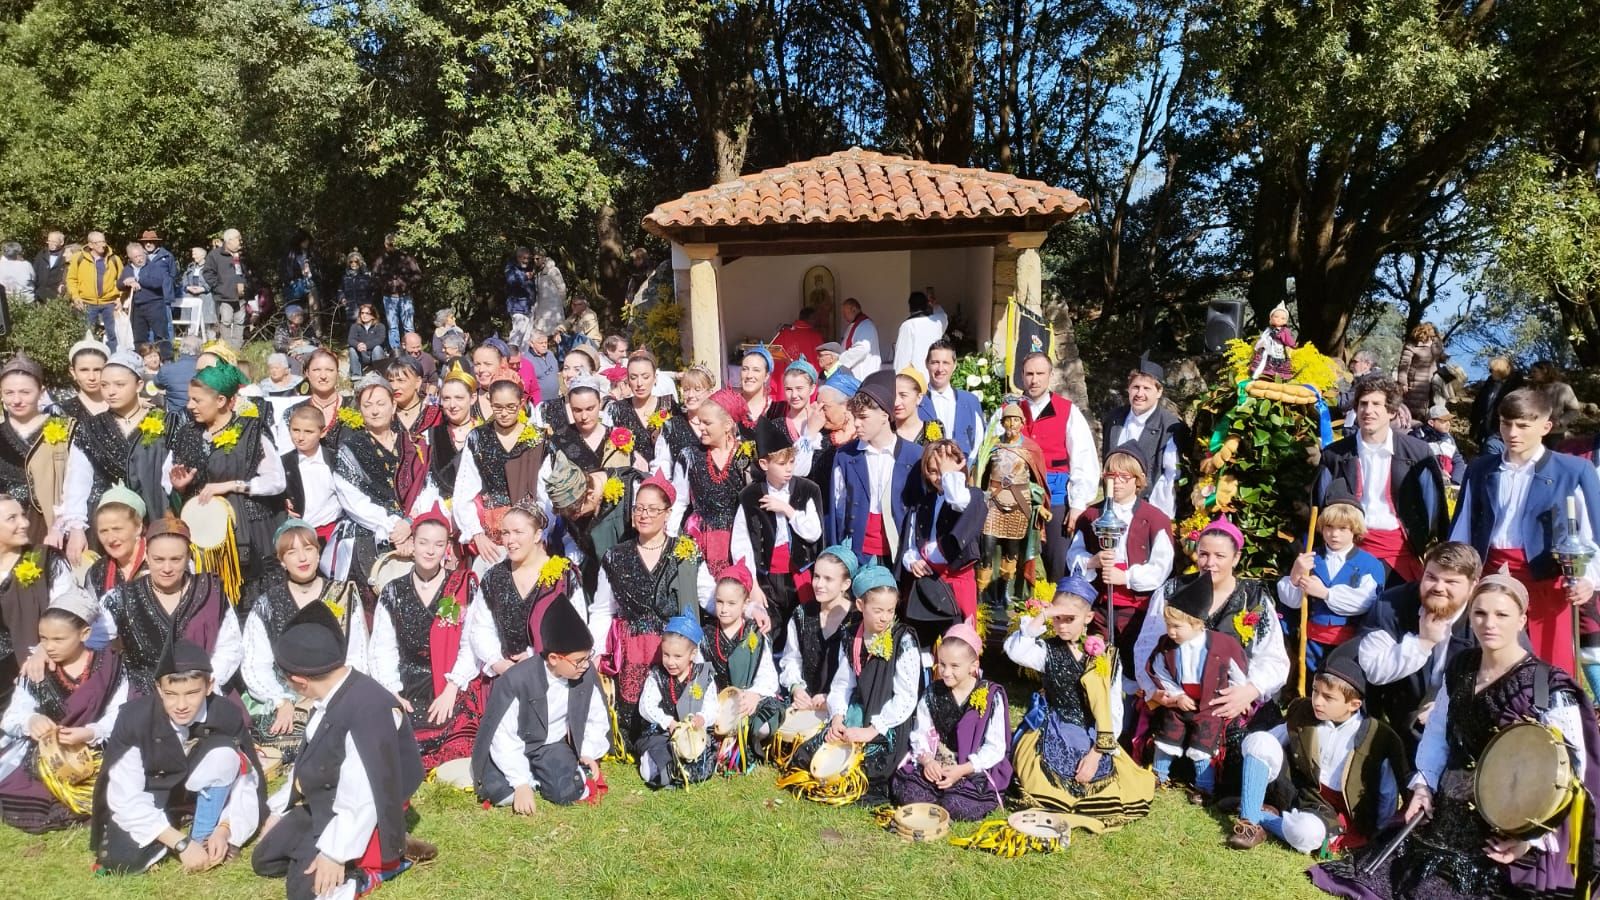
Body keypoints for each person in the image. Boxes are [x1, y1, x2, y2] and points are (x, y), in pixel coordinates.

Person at [1310, 574, 1600, 899]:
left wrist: (1528, 837)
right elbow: (1437, 733)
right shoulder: (1462, 666)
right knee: (1379, 876)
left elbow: (1573, 772)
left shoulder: (1548, 686)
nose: (1489, 623)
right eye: (1480, 613)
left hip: (1512, 823)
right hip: (1446, 810)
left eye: (1502, 615)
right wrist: (1423, 785)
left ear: (1521, 619)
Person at [251, 603, 431, 898]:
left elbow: (363, 794)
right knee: (266, 860)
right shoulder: (331, 694)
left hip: (362, 813)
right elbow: (310, 762)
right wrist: (280, 808)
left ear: (300, 682)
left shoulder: (369, 710)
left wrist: (334, 853)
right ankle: (328, 850)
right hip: (327, 801)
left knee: (305, 893)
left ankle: (371, 868)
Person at [1450, 387, 1600, 676]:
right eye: (1506, 423)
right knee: (1490, 659)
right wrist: (1458, 576)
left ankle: (1548, 718)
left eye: (1522, 425)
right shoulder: (1480, 469)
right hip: (1492, 574)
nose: (1512, 432)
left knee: (1548, 663)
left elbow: (1593, 534)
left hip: (1548, 579)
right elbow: (1462, 529)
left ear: (1546, 427)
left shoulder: (1574, 470)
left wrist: (1588, 580)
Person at [1134, 520, 1289, 795]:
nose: (1210, 563)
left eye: (1220, 556)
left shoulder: (1254, 599)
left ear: (1236, 558)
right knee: (1168, 732)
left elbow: (1273, 658)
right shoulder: (1172, 591)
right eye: (1204, 554)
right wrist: (1159, 692)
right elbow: (1147, 646)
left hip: (1232, 702)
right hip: (1180, 697)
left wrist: (1248, 691)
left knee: (1240, 751)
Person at [88, 640, 264, 875]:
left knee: (225, 754)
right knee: (123, 860)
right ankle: (173, 834)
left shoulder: (227, 715)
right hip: (151, 795)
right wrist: (180, 844)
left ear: (209, 686)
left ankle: (204, 832)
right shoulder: (134, 720)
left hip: (201, 786)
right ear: (159, 689)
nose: (181, 705)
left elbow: (246, 780)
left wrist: (226, 828)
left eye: (192, 693)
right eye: (171, 694)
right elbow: (125, 797)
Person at [1228, 642, 1408, 854]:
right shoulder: (1303, 709)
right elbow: (1269, 742)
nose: (1317, 702)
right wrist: (1255, 756)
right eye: (1315, 691)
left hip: (1326, 808)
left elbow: (1387, 792)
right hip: (1292, 785)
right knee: (1259, 740)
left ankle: (1266, 817)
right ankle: (1248, 823)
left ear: (1354, 705)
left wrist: (1378, 832)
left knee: (1307, 834)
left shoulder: (1380, 737)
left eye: (1328, 697)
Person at [1006, 577, 1155, 830]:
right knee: (1039, 783)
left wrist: (1098, 752)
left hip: (1092, 732)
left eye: (1070, 619)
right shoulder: (1047, 650)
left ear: (1088, 618)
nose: (1062, 626)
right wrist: (1043, 616)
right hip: (1055, 725)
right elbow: (1016, 650)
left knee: (1100, 782)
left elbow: (1112, 711)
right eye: (1057, 619)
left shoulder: (1106, 657)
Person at [590, 472, 714, 753]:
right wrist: (596, 652)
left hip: (673, 648)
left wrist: (745, 603)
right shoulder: (616, 556)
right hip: (633, 650)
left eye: (652, 509)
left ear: (668, 514)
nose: (643, 515)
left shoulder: (685, 550)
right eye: (638, 508)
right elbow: (602, 610)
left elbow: (708, 595)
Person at [788, 566, 919, 805]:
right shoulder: (850, 637)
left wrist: (872, 730)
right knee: (807, 756)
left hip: (888, 722)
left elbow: (906, 698)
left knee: (866, 770)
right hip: (857, 712)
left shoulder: (903, 640)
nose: (885, 617)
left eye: (890, 610)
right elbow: (842, 685)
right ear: (860, 606)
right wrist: (838, 717)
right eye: (878, 610)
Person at [240, 521, 366, 765]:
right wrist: (281, 700)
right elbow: (256, 664)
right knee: (280, 734)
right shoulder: (267, 604)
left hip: (336, 693)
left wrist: (336, 694)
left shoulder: (345, 594)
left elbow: (357, 654)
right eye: (291, 552)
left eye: (308, 549)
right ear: (281, 560)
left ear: (318, 552)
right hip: (289, 696)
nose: (302, 558)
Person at [0, 590, 126, 833]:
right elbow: (12, 716)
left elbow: (120, 713)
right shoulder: (38, 670)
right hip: (49, 755)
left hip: (98, 748)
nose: (48, 647)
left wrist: (90, 732)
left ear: (85, 633)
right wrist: (31, 720)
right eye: (43, 638)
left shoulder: (111, 667)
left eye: (58, 639)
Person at [164, 361, 287, 609]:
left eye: (197, 400)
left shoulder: (251, 431)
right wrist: (180, 487)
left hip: (249, 528)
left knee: (252, 597)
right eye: (189, 399)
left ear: (220, 401)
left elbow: (276, 481)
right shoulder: (187, 433)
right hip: (204, 530)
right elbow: (167, 480)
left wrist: (232, 485)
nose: (190, 406)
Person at [371, 512, 486, 770]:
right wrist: (392, 693)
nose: (430, 551)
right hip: (407, 682)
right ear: (412, 544)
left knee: (463, 735)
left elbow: (471, 642)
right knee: (388, 734)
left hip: (448, 679)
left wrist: (452, 687)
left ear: (448, 547)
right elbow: (383, 647)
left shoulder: (462, 585)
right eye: (423, 543)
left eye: (438, 544)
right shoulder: (393, 591)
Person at [472, 594, 608, 810]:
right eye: (578, 660)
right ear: (554, 658)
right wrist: (520, 783)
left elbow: (596, 717)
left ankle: (547, 772)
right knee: (499, 793)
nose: (585, 665)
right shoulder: (517, 679)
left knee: (566, 791)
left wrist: (588, 751)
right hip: (515, 744)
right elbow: (503, 735)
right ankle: (528, 775)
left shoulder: (585, 673)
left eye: (587, 657)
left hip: (550, 745)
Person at [1312, 373, 1446, 585]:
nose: (1368, 410)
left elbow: (1434, 510)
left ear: (1392, 411)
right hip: (1347, 550)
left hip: (1399, 552)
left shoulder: (1418, 453)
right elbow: (1319, 507)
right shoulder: (1334, 456)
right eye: (1363, 404)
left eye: (1377, 404)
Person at [1356, 542, 1483, 757]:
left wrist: (1449, 705)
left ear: (1473, 585)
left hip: (1464, 723)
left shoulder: (1488, 615)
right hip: (1398, 715)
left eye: (1451, 581)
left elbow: (1504, 676)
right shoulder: (1391, 604)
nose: (1438, 587)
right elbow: (1373, 669)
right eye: (1431, 577)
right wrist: (1422, 644)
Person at [91, 517, 241, 698]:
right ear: (147, 555)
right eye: (159, 559)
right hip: (144, 697)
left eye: (176, 559)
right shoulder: (121, 597)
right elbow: (93, 644)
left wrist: (202, 685)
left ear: (188, 558)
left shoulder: (211, 592)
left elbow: (229, 646)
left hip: (202, 691)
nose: (167, 568)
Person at [1068, 450, 1175, 687]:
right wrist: (1091, 562)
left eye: (1123, 476)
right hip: (1098, 603)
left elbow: (1161, 566)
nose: (1115, 482)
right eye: (1110, 475)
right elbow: (1073, 553)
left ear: (1138, 480)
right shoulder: (1091, 515)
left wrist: (1125, 576)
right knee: (1096, 657)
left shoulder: (1155, 519)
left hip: (1135, 607)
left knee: (1132, 660)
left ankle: (1132, 712)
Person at [329, 374, 438, 607]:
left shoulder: (415, 445)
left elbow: (427, 487)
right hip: (368, 530)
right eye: (367, 406)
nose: (375, 411)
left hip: (413, 527)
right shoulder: (351, 449)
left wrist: (409, 523)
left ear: (393, 405)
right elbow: (352, 499)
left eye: (381, 404)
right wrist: (392, 527)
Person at [890, 622, 1010, 820]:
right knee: (911, 793)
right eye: (942, 664)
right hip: (938, 761)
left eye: (955, 666)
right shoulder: (933, 692)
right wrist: (928, 761)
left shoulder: (990, 695)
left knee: (957, 806)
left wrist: (962, 770)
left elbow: (995, 747)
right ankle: (934, 790)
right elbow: (921, 731)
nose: (945, 672)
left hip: (970, 768)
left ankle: (953, 794)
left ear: (974, 665)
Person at [1144, 574, 1248, 798]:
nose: (1171, 631)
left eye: (1176, 626)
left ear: (1197, 623)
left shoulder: (1223, 645)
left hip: (1210, 703)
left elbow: (1238, 671)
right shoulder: (1167, 646)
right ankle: (1159, 775)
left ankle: (1205, 787)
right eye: (1168, 625)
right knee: (1167, 736)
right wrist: (1177, 694)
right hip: (1181, 701)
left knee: (1203, 745)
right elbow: (1160, 670)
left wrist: (1239, 694)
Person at [57, 351, 169, 554]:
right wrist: (76, 527)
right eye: (105, 385)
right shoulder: (90, 427)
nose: (111, 392)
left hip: (152, 514)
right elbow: (78, 479)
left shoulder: (165, 423)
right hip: (103, 521)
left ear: (139, 385)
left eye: (119, 385)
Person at [463, 504, 586, 688]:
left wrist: (535, 655)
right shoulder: (494, 577)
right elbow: (481, 628)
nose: (510, 540)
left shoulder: (564, 576)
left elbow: (576, 630)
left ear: (537, 535)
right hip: (506, 681)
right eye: (505, 533)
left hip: (553, 681)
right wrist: (499, 663)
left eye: (518, 532)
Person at [730, 417, 821, 654]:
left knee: (803, 628)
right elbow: (741, 544)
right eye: (781, 464)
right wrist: (752, 586)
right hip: (767, 579)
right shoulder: (750, 497)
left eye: (791, 462)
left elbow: (813, 533)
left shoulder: (806, 490)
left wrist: (788, 510)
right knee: (770, 628)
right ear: (764, 464)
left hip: (800, 575)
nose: (789, 468)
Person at [827, 370, 924, 570]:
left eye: (863, 417)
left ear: (884, 415)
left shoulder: (913, 455)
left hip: (900, 554)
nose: (856, 424)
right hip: (858, 552)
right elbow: (838, 506)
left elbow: (920, 509)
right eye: (854, 417)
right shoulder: (846, 456)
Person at [1277, 498, 1384, 676]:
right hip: (1312, 640)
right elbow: (1292, 602)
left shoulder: (1370, 564)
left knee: (1342, 685)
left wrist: (1326, 594)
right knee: (1313, 682)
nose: (1334, 534)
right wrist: (1296, 575)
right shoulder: (1310, 558)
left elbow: (1365, 601)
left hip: (1350, 642)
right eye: (1329, 527)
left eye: (1342, 529)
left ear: (1355, 530)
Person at [1017, 352, 1100, 582]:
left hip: (1056, 497)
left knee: (1059, 564)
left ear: (1050, 375)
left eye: (1040, 374)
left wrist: (1077, 505)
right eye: (1029, 374)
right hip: (1016, 496)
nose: (1034, 380)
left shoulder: (1067, 410)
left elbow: (1083, 459)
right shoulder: (1009, 410)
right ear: (1022, 376)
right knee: (1015, 563)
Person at [453, 375, 547, 565]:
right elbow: (464, 490)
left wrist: (542, 532)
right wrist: (476, 533)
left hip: (529, 528)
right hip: (492, 535)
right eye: (498, 407)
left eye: (510, 407)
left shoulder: (537, 438)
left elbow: (545, 490)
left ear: (521, 403)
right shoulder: (478, 437)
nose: (504, 413)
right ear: (489, 402)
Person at [900, 439, 985, 637]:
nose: (939, 477)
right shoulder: (922, 503)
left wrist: (950, 475)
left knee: (957, 641)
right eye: (933, 471)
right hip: (928, 582)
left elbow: (957, 500)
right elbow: (912, 543)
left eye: (944, 471)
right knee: (924, 643)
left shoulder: (972, 497)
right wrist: (913, 561)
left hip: (957, 582)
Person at [700, 562, 784, 761]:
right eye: (719, 602)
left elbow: (767, 674)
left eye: (731, 603)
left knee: (762, 727)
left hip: (749, 701)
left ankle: (744, 739)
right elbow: (701, 676)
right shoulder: (706, 635)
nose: (723, 609)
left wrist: (755, 695)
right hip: (718, 703)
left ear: (745, 604)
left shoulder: (754, 633)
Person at [0, 496, 77, 711]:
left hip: (41, 670)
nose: (24, 523)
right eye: (12, 518)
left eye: (23, 515)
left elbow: (68, 608)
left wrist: (46, 647)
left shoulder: (46, 559)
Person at [667, 390, 754, 574]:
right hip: (699, 538)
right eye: (699, 422)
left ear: (727, 424)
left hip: (738, 538)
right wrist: (670, 539)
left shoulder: (746, 455)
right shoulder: (690, 455)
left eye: (707, 423)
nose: (700, 428)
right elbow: (679, 501)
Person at [974, 401, 1049, 604]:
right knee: (986, 550)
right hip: (994, 502)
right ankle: (982, 593)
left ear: (1022, 423)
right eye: (1008, 420)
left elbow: (1037, 482)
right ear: (1003, 423)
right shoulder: (992, 445)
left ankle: (1006, 592)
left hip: (1019, 504)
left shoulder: (1030, 449)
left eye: (1016, 420)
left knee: (1012, 552)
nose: (1012, 425)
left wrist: (1038, 504)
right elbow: (979, 475)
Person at [635, 614, 718, 788]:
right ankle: (670, 767)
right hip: (662, 735)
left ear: (692, 654)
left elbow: (712, 705)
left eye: (677, 656)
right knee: (651, 771)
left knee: (702, 761)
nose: (670, 662)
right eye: (666, 655)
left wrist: (702, 719)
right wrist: (668, 722)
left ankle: (682, 768)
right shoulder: (657, 675)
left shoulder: (704, 676)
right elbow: (646, 705)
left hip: (692, 735)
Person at [1101, 355, 1186, 517]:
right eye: (1135, 387)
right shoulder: (1114, 418)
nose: (1139, 394)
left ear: (1159, 391)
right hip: (1112, 506)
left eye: (1146, 388)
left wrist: (1158, 517)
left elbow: (1170, 476)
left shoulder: (1170, 426)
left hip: (1149, 508)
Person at [0, 355, 71, 545]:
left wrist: (59, 526)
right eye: (9, 393)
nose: (16, 400)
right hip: (7, 529)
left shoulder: (65, 429)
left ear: (41, 392)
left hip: (53, 526)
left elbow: (75, 482)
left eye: (25, 392)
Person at [778, 545, 856, 715]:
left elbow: (861, 675)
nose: (819, 584)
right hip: (806, 707)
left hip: (844, 710)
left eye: (828, 579)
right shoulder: (802, 615)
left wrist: (833, 698)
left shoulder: (857, 620)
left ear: (845, 584)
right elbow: (791, 658)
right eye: (816, 576)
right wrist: (797, 688)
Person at [605, 350, 676, 472]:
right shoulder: (616, 409)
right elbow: (608, 448)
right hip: (630, 478)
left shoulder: (669, 405)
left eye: (645, 377)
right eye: (633, 377)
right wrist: (632, 456)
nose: (639, 383)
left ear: (655, 378)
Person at [80, 488, 150, 604]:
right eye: (103, 531)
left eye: (117, 529)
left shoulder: (160, 561)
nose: (111, 539)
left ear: (138, 527)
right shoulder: (97, 572)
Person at [279, 406, 339, 540]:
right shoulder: (283, 463)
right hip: (298, 533)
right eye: (295, 430)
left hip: (331, 531)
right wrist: (281, 504)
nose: (300, 437)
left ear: (323, 432)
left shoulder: (335, 460)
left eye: (308, 432)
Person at [919, 340, 985, 462]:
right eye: (935, 362)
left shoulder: (971, 402)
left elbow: (980, 442)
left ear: (954, 366)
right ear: (926, 364)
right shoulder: (917, 402)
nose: (940, 368)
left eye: (945, 363)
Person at [428, 363, 479, 508]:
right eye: (446, 398)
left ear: (473, 398)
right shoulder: (432, 435)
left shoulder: (484, 433)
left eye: (459, 398)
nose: (452, 405)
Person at [651, 365, 714, 476]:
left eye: (697, 389)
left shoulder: (718, 423)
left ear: (710, 392)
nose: (690, 395)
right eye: (686, 389)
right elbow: (662, 464)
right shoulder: (672, 425)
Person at [66, 232, 124, 349]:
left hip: (109, 303)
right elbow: (71, 279)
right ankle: (88, 360)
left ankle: (113, 360)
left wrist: (120, 298)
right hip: (87, 303)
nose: (103, 245)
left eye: (104, 241)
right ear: (91, 245)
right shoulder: (79, 258)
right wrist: (75, 297)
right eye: (99, 242)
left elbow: (122, 281)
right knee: (86, 335)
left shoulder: (114, 259)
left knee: (113, 335)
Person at [122, 241, 176, 360]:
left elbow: (156, 282)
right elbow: (119, 284)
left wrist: (138, 280)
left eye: (141, 255)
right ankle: (141, 360)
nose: (140, 259)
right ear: (130, 258)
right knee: (139, 336)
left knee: (160, 335)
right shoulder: (128, 269)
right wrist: (127, 281)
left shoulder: (154, 267)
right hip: (137, 306)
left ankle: (166, 360)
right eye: (136, 257)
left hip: (154, 305)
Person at [371, 233, 421, 351]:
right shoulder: (381, 260)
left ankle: (411, 349)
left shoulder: (407, 258)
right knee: (393, 327)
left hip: (405, 296)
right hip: (389, 297)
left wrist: (406, 285)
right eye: (390, 244)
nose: (392, 247)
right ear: (385, 244)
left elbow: (417, 275)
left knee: (408, 326)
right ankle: (396, 352)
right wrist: (385, 285)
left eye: (394, 244)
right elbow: (374, 276)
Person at [202, 229, 251, 347]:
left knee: (240, 322)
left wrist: (247, 285)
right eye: (238, 239)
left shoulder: (243, 255)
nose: (241, 241)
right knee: (226, 321)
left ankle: (237, 349)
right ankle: (227, 348)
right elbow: (208, 273)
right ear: (229, 241)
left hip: (241, 296)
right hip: (224, 296)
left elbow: (250, 273)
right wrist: (219, 287)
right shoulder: (215, 255)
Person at [1469, 356, 1523, 454]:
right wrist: (1474, 422)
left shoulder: (1515, 385)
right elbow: (1479, 402)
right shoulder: (1490, 382)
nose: (1490, 372)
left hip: (1500, 429)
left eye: (1492, 370)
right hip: (1485, 426)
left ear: (1500, 370)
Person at [1394, 321, 1445, 420]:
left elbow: (1440, 359)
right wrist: (1403, 383)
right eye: (1430, 331)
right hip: (1414, 384)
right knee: (1412, 410)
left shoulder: (1436, 345)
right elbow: (1404, 365)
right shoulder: (1412, 345)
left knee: (1428, 411)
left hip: (1431, 384)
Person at [892, 291, 944, 382]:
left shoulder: (908, 326)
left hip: (917, 382)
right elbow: (943, 315)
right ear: (926, 305)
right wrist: (934, 305)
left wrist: (897, 383)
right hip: (936, 377)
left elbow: (901, 359)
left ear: (910, 307)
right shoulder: (937, 322)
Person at [1411, 402, 1466, 486]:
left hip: (1450, 483)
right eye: (1443, 421)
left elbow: (1458, 459)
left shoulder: (1448, 438)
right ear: (1431, 422)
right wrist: (1438, 472)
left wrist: (1455, 480)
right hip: (1428, 483)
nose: (1448, 424)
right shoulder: (1418, 438)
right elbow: (1418, 463)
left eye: (1449, 420)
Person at [385, 357, 440, 439]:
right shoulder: (384, 414)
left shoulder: (435, 413)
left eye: (401, 380)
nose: (394, 387)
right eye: (390, 381)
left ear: (418, 382)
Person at [153, 334, 201, 415]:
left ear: (180, 349)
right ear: (199, 350)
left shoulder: (166, 369)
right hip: (198, 414)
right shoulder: (204, 369)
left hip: (175, 417)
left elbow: (157, 384)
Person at [1249, 301, 1296, 380]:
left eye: (1282, 318)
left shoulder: (1285, 331)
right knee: (1264, 361)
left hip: (1279, 349)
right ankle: (1265, 375)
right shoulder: (1268, 329)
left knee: (1279, 362)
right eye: (1276, 316)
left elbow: (1289, 341)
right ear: (1271, 318)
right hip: (1267, 349)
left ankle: (1279, 377)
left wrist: (1281, 337)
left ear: (1285, 321)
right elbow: (1263, 338)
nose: (1278, 319)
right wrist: (1257, 347)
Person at [892, 368, 940, 446]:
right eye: (893, 395)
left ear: (919, 398)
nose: (896, 403)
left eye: (903, 395)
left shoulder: (933, 430)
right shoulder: (885, 430)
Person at [527, 247, 568, 337]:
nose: (535, 261)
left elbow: (562, 287)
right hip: (542, 310)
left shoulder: (553, 270)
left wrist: (562, 304)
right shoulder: (537, 273)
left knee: (556, 333)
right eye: (534, 259)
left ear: (544, 257)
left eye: (537, 258)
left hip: (554, 309)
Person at [838, 297, 881, 380]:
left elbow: (862, 348)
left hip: (863, 374)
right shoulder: (853, 325)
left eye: (845, 312)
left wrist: (839, 361)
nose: (843, 316)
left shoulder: (866, 325)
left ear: (854, 309)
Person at [333, 251, 373, 328]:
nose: (353, 264)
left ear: (360, 262)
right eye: (351, 262)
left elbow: (371, 291)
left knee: (364, 330)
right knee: (352, 331)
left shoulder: (365, 276)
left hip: (364, 307)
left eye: (356, 261)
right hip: (350, 308)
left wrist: (369, 303)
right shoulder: (345, 277)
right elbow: (340, 290)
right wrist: (342, 298)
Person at [346, 302, 387, 377]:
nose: (364, 315)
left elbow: (380, 339)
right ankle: (356, 377)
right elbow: (350, 339)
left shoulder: (380, 326)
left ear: (373, 315)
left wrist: (366, 345)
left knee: (377, 348)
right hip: (361, 354)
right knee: (352, 349)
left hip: (375, 354)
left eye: (367, 313)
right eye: (362, 313)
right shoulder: (355, 326)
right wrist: (358, 345)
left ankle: (379, 375)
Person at [526, 329, 561, 403]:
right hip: (539, 403)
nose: (544, 345)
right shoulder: (527, 360)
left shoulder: (550, 354)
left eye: (546, 342)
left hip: (555, 399)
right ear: (531, 344)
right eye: (541, 343)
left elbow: (555, 374)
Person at [31, 230, 66, 301]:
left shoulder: (66, 256)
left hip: (57, 296)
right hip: (40, 295)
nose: (50, 244)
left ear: (61, 242)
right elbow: (34, 272)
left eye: (54, 242)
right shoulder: (41, 254)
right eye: (49, 241)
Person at [504, 247, 537, 317]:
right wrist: (525, 276)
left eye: (528, 258)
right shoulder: (511, 267)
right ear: (518, 257)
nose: (527, 261)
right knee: (520, 328)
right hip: (517, 308)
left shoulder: (528, 268)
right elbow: (511, 281)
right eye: (524, 258)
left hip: (529, 307)